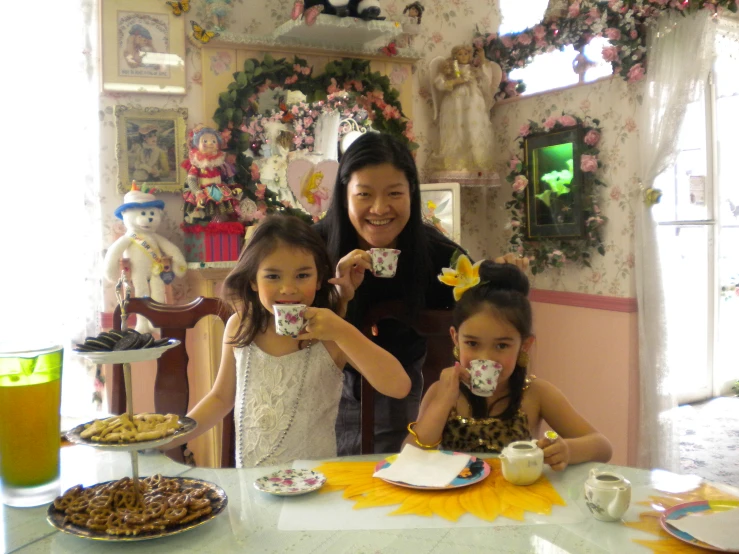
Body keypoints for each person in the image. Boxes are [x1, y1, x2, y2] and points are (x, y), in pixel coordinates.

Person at [313, 132, 528, 455]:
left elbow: (482, 308)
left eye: (394, 193)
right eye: (364, 194)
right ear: (345, 195)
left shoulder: (438, 254)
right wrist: (336, 293)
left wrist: (501, 275)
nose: (380, 208)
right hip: (318, 386)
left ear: (412, 193)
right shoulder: (312, 249)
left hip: (402, 394)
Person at [168, 215, 410, 467]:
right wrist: (171, 436)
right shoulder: (240, 326)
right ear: (253, 280)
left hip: (315, 489)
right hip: (254, 489)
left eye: (302, 275)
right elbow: (220, 398)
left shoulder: (331, 334)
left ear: (318, 280)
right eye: (273, 276)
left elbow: (398, 386)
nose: (287, 288)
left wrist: (341, 330)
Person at [404, 259, 612, 469]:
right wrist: (443, 402)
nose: (485, 357)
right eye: (472, 343)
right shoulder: (441, 392)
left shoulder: (537, 393)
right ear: (455, 338)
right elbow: (409, 457)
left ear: (524, 345)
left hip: (517, 499)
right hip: (455, 499)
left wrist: (566, 450)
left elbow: (602, 447)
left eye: (501, 346)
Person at [429, 44, 502, 173]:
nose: (463, 57)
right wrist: (456, 81)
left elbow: (486, 81)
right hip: (455, 101)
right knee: (457, 127)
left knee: (472, 127)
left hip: (473, 101)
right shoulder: (450, 69)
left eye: (466, 54)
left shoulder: (474, 70)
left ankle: (475, 160)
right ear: (455, 56)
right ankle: (456, 162)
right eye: (460, 54)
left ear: (470, 55)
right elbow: (439, 83)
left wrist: (483, 60)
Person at [181, 126, 242, 223]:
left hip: (219, 189)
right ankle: (206, 222)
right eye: (205, 141)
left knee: (222, 209)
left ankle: (218, 223)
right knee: (204, 210)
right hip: (203, 191)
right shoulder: (197, 164)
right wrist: (197, 192)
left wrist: (233, 186)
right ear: (197, 144)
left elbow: (228, 175)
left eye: (213, 141)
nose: (209, 143)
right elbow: (191, 180)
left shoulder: (220, 162)